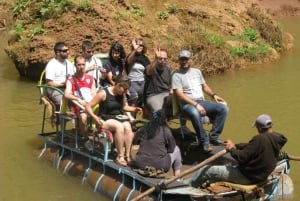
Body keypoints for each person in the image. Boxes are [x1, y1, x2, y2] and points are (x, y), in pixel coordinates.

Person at [187, 114, 288, 187]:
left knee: (207, 170)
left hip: (248, 176)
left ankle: (188, 187)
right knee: (223, 168)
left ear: (260, 128)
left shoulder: (260, 139)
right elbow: (251, 146)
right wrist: (236, 145)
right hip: (261, 175)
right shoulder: (276, 138)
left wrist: (231, 149)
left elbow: (242, 157)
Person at [172, 50, 228, 152]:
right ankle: (204, 141)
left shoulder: (197, 72)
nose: (184, 61)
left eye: (186, 59)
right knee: (194, 112)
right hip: (187, 105)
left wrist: (213, 95)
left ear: (190, 60)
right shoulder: (176, 75)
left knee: (223, 108)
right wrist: (196, 105)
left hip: (201, 102)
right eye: (182, 59)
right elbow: (180, 95)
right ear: (179, 61)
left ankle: (214, 136)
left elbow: (204, 86)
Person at [85, 74, 142, 167]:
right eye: (124, 89)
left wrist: (135, 109)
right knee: (119, 126)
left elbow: (124, 107)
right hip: (104, 120)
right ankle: (120, 156)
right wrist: (94, 117)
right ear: (118, 85)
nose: (126, 91)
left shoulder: (122, 93)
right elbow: (88, 106)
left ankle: (127, 155)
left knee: (127, 126)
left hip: (118, 118)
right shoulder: (103, 93)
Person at [132, 110, 182, 177]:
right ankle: (177, 177)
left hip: (140, 164)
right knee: (177, 149)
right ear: (165, 120)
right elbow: (172, 149)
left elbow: (134, 142)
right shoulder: (165, 130)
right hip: (160, 166)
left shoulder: (143, 129)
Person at [64, 55, 96, 150]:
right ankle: (86, 139)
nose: (81, 67)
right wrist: (78, 100)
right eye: (79, 65)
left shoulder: (91, 78)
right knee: (83, 117)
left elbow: (94, 93)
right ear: (75, 65)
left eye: (83, 64)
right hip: (78, 106)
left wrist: (92, 103)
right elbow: (66, 94)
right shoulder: (71, 80)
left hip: (91, 104)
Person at [102, 42, 138, 106]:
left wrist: (126, 87)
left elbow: (124, 75)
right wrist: (124, 90)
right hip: (111, 84)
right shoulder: (107, 63)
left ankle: (131, 113)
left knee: (134, 95)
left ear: (120, 53)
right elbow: (111, 81)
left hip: (122, 84)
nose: (114, 55)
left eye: (116, 53)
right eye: (113, 53)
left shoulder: (122, 62)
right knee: (123, 96)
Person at [45, 41, 75, 110]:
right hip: (55, 89)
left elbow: (73, 77)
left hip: (67, 88)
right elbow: (49, 83)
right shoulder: (52, 65)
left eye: (68, 50)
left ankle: (76, 117)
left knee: (79, 99)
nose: (68, 52)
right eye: (65, 51)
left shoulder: (69, 63)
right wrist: (62, 85)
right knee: (62, 101)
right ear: (58, 52)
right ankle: (60, 119)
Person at [144, 48, 173, 113]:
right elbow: (149, 72)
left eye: (164, 59)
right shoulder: (150, 67)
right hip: (154, 95)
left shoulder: (169, 69)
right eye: (160, 58)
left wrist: (171, 92)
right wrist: (156, 59)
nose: (162, 60)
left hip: (167, 94)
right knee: (159, 111)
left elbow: (172, 85)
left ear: (167, 59)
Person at [126, 38, 150, 107]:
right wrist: (134, 50)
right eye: (137, 45)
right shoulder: (131, 55)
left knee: (146, 93)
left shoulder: (145, 58)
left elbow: (149, 70)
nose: (139, 46)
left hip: (142, 81)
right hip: (132, 81)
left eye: (141, 45)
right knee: (137, 94)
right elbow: (128, 61)